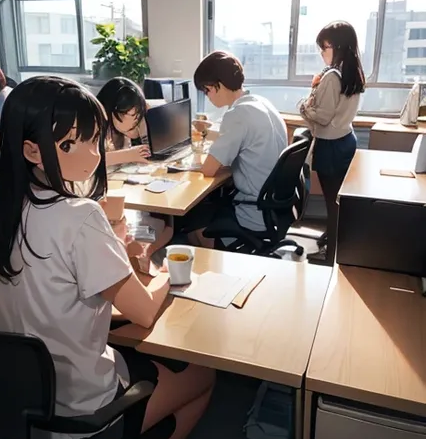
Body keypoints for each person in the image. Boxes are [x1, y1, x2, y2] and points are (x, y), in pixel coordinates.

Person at [0, 76, 215, 439]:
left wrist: (112, 256)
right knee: (201, 375)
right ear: (30, 151)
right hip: (81, 412)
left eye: (95, 139)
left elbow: (50, 281)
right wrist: (158, 273)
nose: (92, 153)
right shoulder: (80, 217)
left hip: (13, 404)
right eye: (71, 144)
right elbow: (141, 311)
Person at [188, 50, 288, 245]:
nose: (207, 96)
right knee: (215, 198)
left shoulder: (237, 115)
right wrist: (209, 132)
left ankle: (213, 262)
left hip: (252, 209)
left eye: (206, 90)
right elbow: (240, 138)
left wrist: (183, 167)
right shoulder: (260, 103)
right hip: (274, 205)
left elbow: (208, 169)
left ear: (217, 85)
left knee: (193, 222)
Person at [299, 21, 365, 265]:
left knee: (332, 202)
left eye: (324, 47)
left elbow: (322, 116)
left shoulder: (331, 77)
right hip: (346, 140)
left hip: (330, 145)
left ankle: (331, 253)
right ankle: (333, 238)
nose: (322, 53)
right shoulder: (353, 73)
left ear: (337, 47)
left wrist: (304, 105)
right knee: (338, 200)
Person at [98, 77, 174, 272]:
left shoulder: (120, 128)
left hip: (122, 194)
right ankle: (143, 260)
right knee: (158, 226)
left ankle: (146, 256)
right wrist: (128, 154)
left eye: (137, 118)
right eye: (131, 120)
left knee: (167, 226)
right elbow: (94, 160)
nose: (135, 125)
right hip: (105, 204)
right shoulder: (96, 131)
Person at [97, 77, 151, 165]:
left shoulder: (120, 127)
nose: (138, 120)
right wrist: (129, 155)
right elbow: (85, 161)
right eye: (134, 114)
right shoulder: (94, 125)